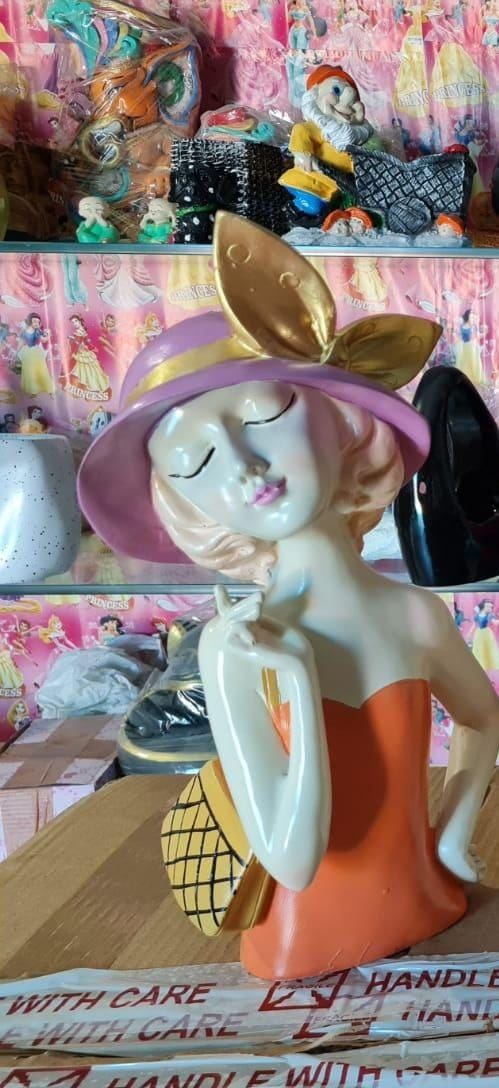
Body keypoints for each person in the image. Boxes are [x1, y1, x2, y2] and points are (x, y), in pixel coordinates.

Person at [79, 214, 499, 981]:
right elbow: (292, 858)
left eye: (263, 417)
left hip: (429, 905)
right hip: (303, 944)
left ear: (343, 423)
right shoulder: (238, 645)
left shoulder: (412, 614)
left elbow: (482, 716)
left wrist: (450, 830)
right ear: (183, 500)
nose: (242, 466)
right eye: (196, 461)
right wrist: (295, 685)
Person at [17, 312, 54, 396]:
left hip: (36, 352)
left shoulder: (37, 331)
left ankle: (47, 388)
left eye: (38, 322)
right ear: (29, 321)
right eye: (34, 321)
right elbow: (21, 342)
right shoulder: (24, 331)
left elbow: (43, 340)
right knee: (29, 371)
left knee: (40, 370)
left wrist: (48, 335)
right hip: (27, 352)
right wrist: (16, 352)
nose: (37, 323)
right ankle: (33, 390)